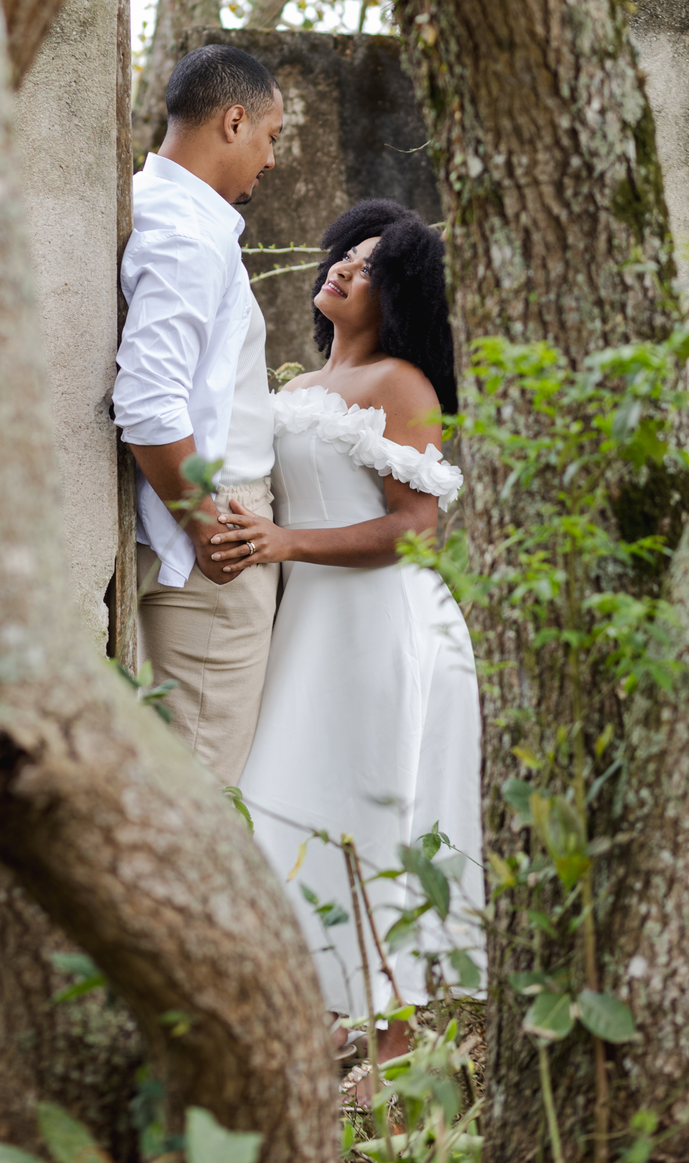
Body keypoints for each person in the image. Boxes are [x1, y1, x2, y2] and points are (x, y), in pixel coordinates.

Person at [210, 200, 483, 1065]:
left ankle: (394, 1061)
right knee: (291, 805)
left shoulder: (403, 385)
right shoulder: (297, 389)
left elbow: (417, 528)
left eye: (368, 266)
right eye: (343, 254)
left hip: (383, 630)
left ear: (397, 293)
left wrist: (286, 542)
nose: (343, 268)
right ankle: (327, 1022)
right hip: (312, 629)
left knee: (374, 816)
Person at [113, 43, 285, 787]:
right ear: (235, 120)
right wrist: (207, 526)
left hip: (169, 517)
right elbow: (148, 402)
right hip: (215, 529)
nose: (270, 161)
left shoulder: (143, 201)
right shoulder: (190, 232)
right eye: (271, 138)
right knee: (202, 787)